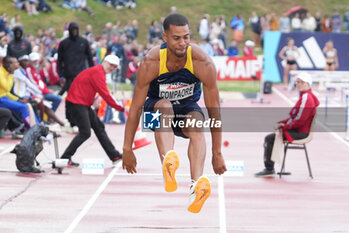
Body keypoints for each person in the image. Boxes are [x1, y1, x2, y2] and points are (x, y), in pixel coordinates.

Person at [122, 13, 227, 213]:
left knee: (197, 123)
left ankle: (195, 187)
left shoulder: (202, 62)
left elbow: (214, 112)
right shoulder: (151, 62)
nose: (182, 43)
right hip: (155, 110)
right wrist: (127, 148)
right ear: (165, 38)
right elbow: (135, 108)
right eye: (176, 38)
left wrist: (217, 153)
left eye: (186, 37)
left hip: (186, 108)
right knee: (164, 106)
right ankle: (168, 163)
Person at [60, 55, 125, 167]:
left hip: (82, 104)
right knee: (85, 133)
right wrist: (122, 108)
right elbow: (106, 94)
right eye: (111, 65)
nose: (112, 68)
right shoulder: (98, 72)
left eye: (115, 67)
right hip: (77, 104)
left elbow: (92, 88)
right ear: (104, 62)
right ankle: (65, 158)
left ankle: (114, 156)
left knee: (99, 127)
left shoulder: (98, 72)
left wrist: (94, 99)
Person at [255, 73, 319, 177]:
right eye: (297, 82)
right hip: (300, 130)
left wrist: (284, 127)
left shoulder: (306, 98)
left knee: (269, 138)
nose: (298, 84)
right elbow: (295, 117)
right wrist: (283, 123)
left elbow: (299, 120)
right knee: (274, 136)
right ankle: (271, 167)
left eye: (301, 82)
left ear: (308, 84)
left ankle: (269, 169)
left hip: (301, 133)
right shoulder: (305, 96)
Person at [57, 22, 94, 96]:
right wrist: (61, 74)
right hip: (68, 75)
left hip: (81, 74)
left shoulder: (84, 42)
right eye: (72, 29)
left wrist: (92, 72)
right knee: (71, 95)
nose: (74, 31)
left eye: (76, 29)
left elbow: (90, 58)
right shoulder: (64, 43)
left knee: (80, 95)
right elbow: (59, 61)